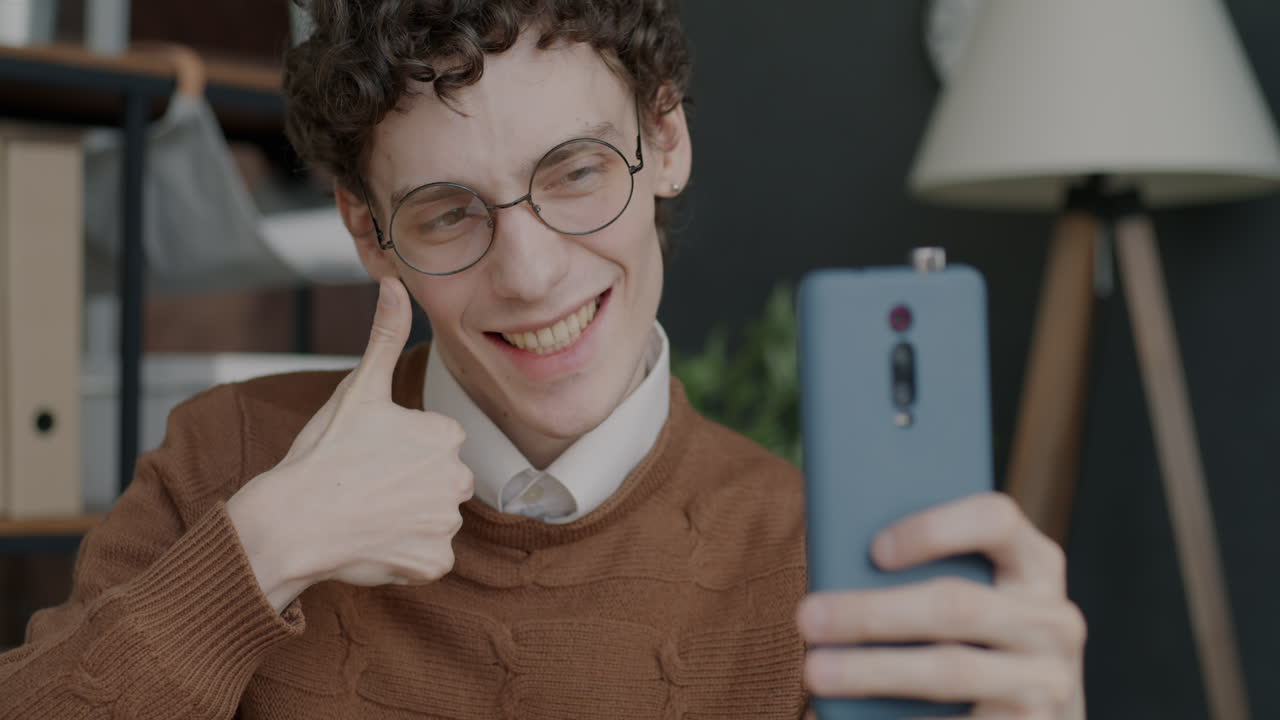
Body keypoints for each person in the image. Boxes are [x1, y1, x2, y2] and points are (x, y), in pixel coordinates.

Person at [0, 1, 1086, 717]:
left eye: (573, 173)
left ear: (664, 142)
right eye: (445, 214)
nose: (527, 274)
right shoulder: (224, 461)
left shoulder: (811, 568)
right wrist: (263, 549)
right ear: (368, 231)